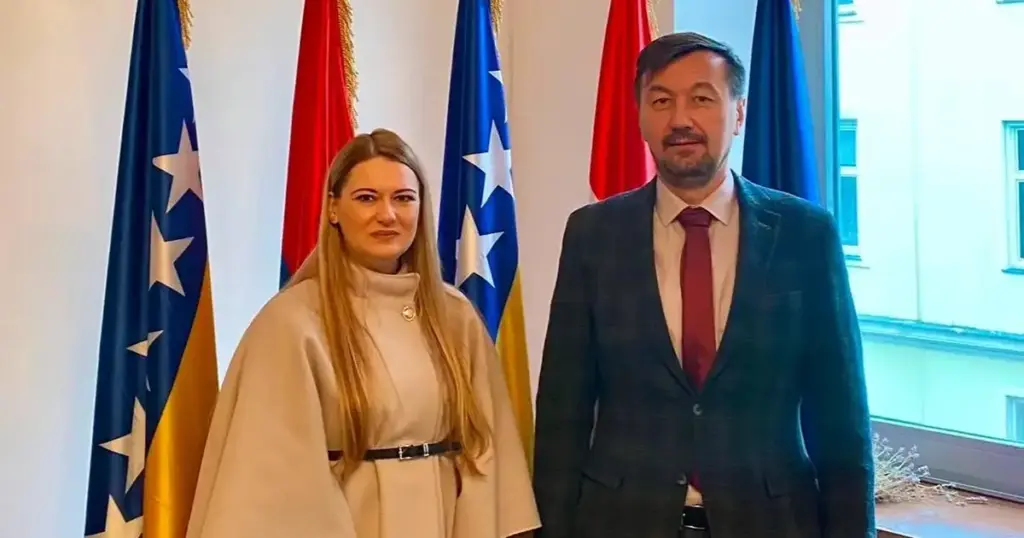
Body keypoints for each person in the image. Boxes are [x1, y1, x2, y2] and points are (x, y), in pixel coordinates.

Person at [532, 32, 874, 538]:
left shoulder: (805, 234)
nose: (680, 120)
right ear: (640, 117)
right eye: (661, 101)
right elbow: (563, 410)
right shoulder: (593, 234)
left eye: (701, 99)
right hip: (620, 521)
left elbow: (840, 417)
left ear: (738, 113)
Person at [185, 128, 540, 538]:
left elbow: (487, 457)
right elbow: (277, 485)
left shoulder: (454, 317)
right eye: (367, 198)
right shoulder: (292, 324)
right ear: (333, 208)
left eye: (403, 198)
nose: (387, 215)